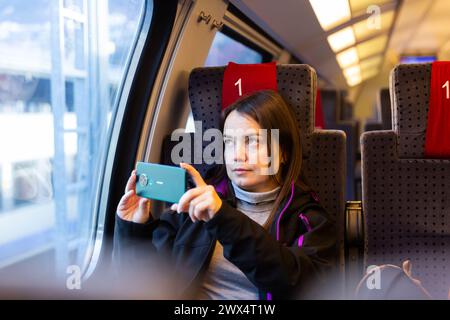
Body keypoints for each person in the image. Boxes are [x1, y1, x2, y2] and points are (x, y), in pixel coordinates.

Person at [113, 89, 337, 300]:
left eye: (252, 141)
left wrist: (222, 217)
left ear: (283, 153)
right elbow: (149, 283)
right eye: (229, 143)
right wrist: (135, 230)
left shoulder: (310, 221)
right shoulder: (196, 203)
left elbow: (300, 285)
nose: (237, 155)